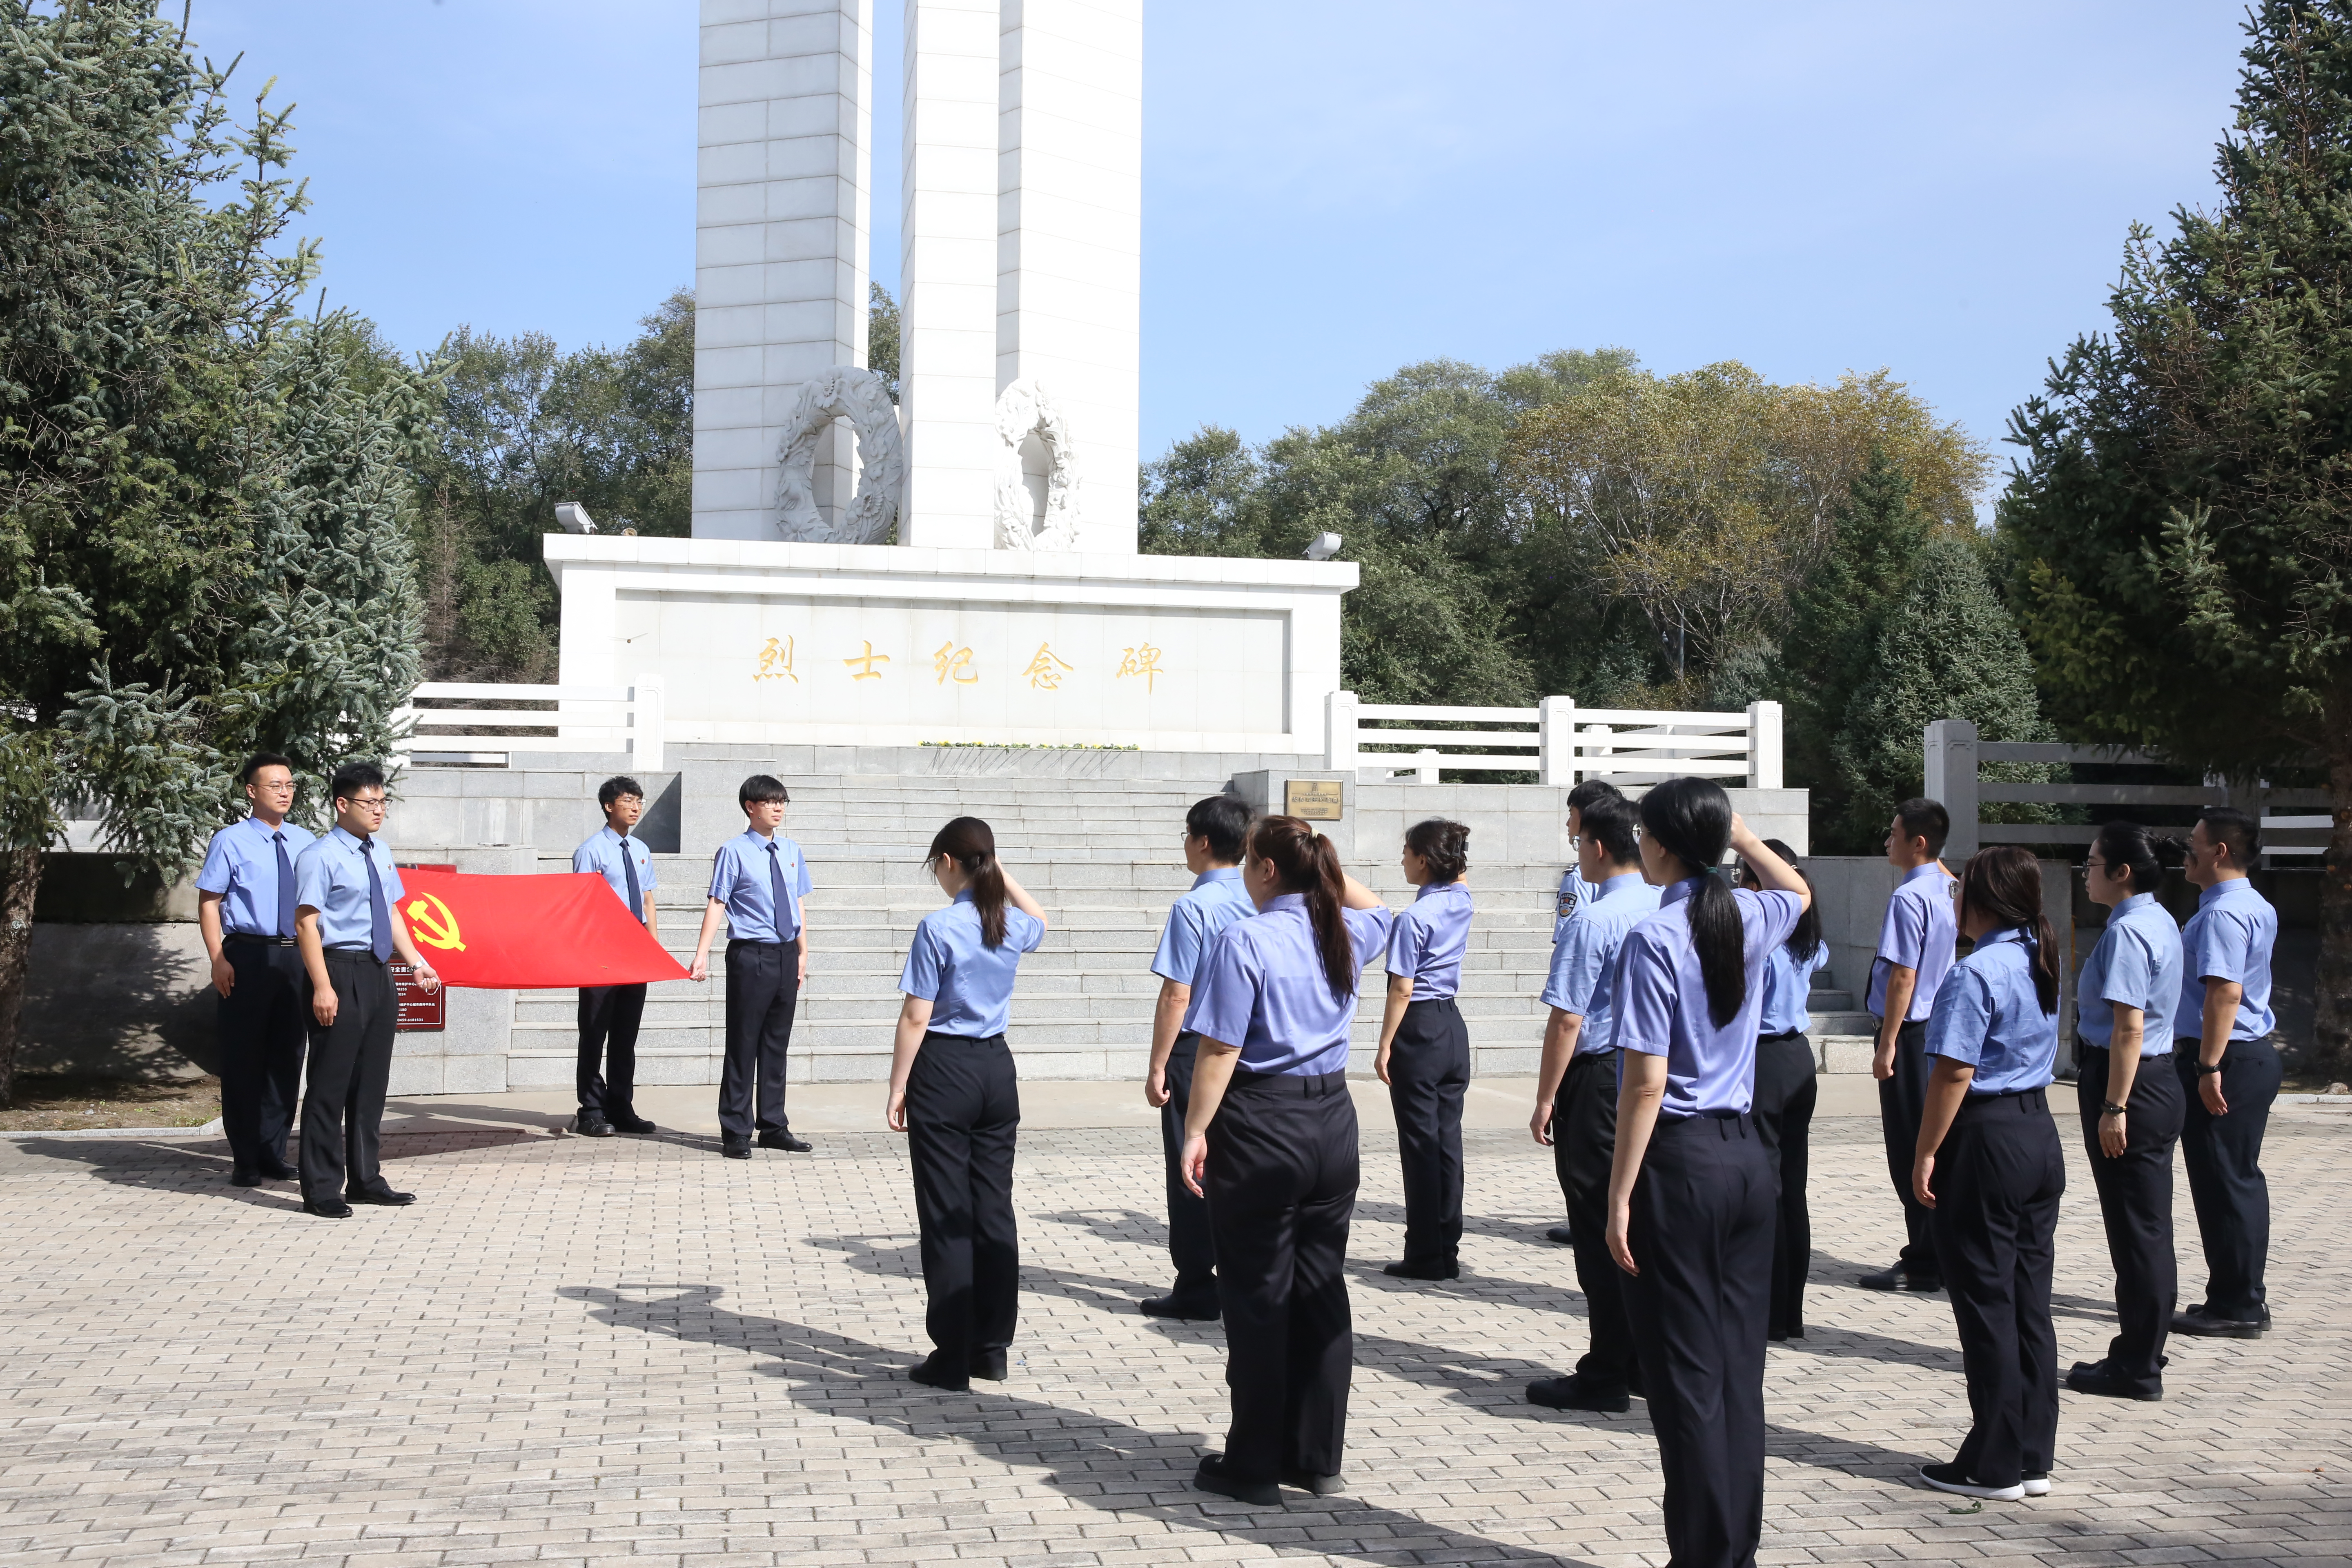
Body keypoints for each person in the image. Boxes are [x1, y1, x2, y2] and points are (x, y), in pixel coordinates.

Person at [1605, 778, 1809, 1568]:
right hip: (1746, 1158)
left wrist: (1620, 1193)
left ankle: (1705, 1555)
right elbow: (1795, 888)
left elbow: (1646, 1081)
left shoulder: (1655, 939)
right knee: (1736, 1371)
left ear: (1658, 844)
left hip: (1680, 1165)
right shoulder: (1748, 914)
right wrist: (1744, 838)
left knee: (1687, 1378)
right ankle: (1735, 1548)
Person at [1179, 815, 1391, 1506]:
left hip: (1263, 1120)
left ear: (1268, 870)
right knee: (1320, 1288)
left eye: (1251, 862)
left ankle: (1254, 1462)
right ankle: (1316, 1456)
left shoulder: (1248, 937)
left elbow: (1219, 1050)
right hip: (1333, 1120)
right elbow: (1381, 908)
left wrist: (1195, 1130)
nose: (1244, 872)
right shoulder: (1345, 930)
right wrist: (1324, 866)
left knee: (1259, 1296)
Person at [1909, 846, 2064, 1503]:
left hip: (1987, 1138)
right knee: (2029, 1302)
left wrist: (1924, 1152)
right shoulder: (2041, 957)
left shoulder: (1976, 974)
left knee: (1985, 1303)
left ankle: (1994, 1463)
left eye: (1958, 892)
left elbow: (1954, 1072)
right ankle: (2031, 1454)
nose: (1952, 904)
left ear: (1985, 900)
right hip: (2038, 1133)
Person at [886, 817, 1049, 1392]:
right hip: (996, 1070)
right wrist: (997, 872)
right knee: (993, 1209)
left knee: (947, 1214)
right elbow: (1044, 921)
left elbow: (916, 1015)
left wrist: (898, 1084)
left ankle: (951, 1353)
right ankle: (991, 1347)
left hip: (946, 1069)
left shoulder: (939, 927)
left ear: (950, 862)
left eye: (937, 863)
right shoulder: (1006, 922)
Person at [1524, 792, 1658, 1411]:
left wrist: (1547, 1096)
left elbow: (1567, 1022)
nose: (1578, 851)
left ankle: (1606, 1369)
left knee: (1599, 1224)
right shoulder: (1665, 905)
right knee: (1637, 1219)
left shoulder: (1593, 920)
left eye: (1580, 842)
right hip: (1653, 1074)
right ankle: (1638, 1359)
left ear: (1598, 848)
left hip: (1601, 1078)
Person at [291, 762, 442, 1219]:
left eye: (383, 802)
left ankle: (366, 1179)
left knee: (371, 1084)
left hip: (378, 972)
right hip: (338, 969)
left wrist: (415, 961)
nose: (379, 811)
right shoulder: (320, 856)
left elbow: (393, 913)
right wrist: (321, 985)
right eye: (369, 803)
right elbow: (306, 923)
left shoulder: (379, 850)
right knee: (329, 1085)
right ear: (342, 805)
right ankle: (320, 1188)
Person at [2066, 821, 2185, 1401]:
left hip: (2131, 1086)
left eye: (2091, 864)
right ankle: (2141, 1350)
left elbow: (2128, 1027)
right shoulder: (2154, 918)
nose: (2085, 874)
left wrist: (2114, 1105)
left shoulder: (2131, 931)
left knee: (2137, 1230)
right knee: (2146, 1227)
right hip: (2152, 1081)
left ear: (2121, 872)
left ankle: (2138, 1365)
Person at [1140, 793, 1257, 1321]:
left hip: (1198, 1049)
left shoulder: (1194, 907)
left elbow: (1176, 994)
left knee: (1191, 1166)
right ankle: (1246, 1273)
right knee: (1241, 1164)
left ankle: (1196, 1283)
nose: (1185, 846)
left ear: (1204, 841)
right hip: (1253, 1048)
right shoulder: (1263, 896)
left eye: (1187, 836)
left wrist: (1159, 1065)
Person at [2171, 806, 2282, 1340]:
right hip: (2242, 1055)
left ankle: (2240, 1303)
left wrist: (2209, 1066)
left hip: (2228, 1058)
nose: (2185, 852)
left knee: (2227, 1181)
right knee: (2232, 1179)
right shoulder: (2247, 904)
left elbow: (2224, 991)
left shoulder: (2222, 914)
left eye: (2193, 843)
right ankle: (2232, 1294)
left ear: (2219, 851)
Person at [195, 753, 316, 1187]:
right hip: (246, 955)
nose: (285, 792)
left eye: (289, 785)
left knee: (287, 1057)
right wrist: (218, 958)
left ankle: (273, 1151)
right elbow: (210, 902)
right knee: (244, 1058)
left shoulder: (307, 841)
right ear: (252, 791)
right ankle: (245, 1158)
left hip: (297, 956)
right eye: (274, 785)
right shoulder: (230, 841)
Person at [1860, 797, 1958, 1293]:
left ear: (1918, 842)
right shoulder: (1952, 886)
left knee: (1910, 1146)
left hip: (1912, 1030)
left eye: (1894, 833)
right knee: (1936, 1142)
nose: (1887, 840)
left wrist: (1887, 1043)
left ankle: (1924, 1259)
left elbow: (1904, 975)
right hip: (1944, 1028)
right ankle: (1937, 1249)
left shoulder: (1909, 897)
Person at [689, 775, 812, 1158]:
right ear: (750, 807)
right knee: (743, 1044)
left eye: (782, 802)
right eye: (770, 802)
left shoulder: (791, 850)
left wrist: (803, 951)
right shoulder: (734, 851)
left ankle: (774, 1126)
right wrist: (702, 953)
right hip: (750, 955)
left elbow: (798, 902)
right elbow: (718, 902)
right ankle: (736, 1130)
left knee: (777, 1045)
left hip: (785, 954)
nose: (778, 808)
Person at [1375, 817, 1474, 1281]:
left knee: (1419, 1145)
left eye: (1408, 851)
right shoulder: (1462, 899)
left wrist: (1385, 1044)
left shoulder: (1414, 918)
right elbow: (1459, 877)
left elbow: (1401, 989)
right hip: (1452, 1026)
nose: (1402, 860)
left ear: (1424, 860)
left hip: (1419, 1025)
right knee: (1446, 1143)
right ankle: (1446, 1246)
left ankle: (1424, 1253)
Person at [1741, 838, 1828, 1342]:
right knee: (1791, 1189)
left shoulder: (1766, 936)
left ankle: (1771, 1310)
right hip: (1797, 1057)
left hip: (1765, 1058)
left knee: (1767, 1189)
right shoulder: (1806, 935)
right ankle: (1788, 1311)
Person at [1544, 779, 1626, 1245]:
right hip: (1639, 1052)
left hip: (1597, 1049)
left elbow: (1569, 1010)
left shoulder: (1584, 887)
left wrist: (1545, 1097)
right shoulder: (1658, 893)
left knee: (1590, 1168)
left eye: (1573, 820)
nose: (1568, 828)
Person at [569, 775, 661, 1138]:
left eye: (639, 800)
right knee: (594, 1032)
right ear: (609, 806)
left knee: (626, 1034)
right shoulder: (591, 850)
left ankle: (622, 1106)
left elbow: (649, 901)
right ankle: (591, 1109)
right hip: (602, 948)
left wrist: (653, 947)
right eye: (628, 800)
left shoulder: (640, 849)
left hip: (635, 947)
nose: (636, 807)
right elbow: (580, 904)